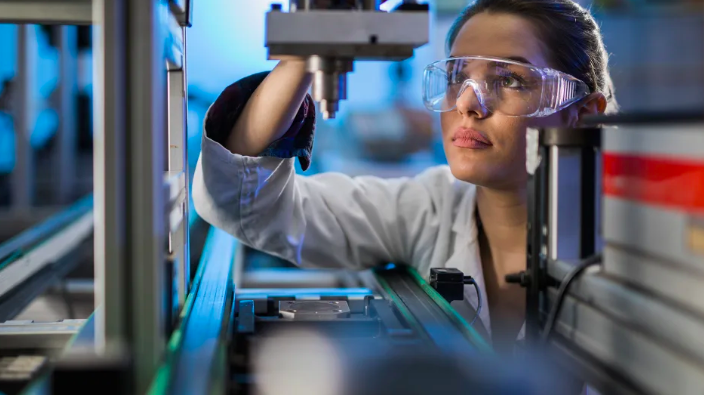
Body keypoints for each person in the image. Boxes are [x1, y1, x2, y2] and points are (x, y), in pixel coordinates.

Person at [192, 0, 618, 352]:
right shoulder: (429, 208)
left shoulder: (640, 249)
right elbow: (241, 199)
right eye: (456, 77)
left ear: (583, 114)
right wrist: (306, 53)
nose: (469, 104)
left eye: (509, 79)